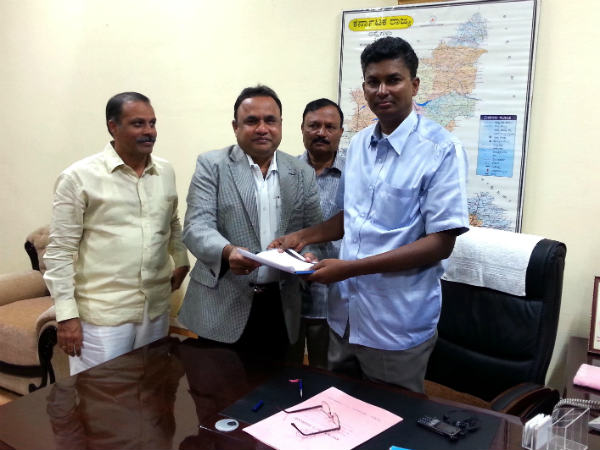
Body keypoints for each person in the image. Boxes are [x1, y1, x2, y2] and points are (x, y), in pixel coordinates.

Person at [271, 37, 469, 392]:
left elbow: (441, 243)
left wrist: (349, 269)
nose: (382, 91)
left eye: (393, 80)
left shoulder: (441, 150)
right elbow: (350, 217)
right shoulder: (360, 144)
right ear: (363, 87)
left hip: (394, 324)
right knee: (338, 407)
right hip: (344, 316)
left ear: (414, 85)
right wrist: (302, 237)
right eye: (372, 81)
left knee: (392, 416)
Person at [44, 92, 190, 375]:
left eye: (152, 123)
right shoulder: (78, 177)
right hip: (104, 317)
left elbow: (172, 221)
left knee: (153, 388)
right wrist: (67, 317)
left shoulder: (165, 171)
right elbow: (60, 251)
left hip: (155, 309)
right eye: (138, 124)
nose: (149, 131)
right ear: (113, 127)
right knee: (103, 396)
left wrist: (181, 260)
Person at [178, 85, 322, 358]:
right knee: (216, 381)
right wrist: (227, 251)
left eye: (270, 120)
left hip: (281, 304)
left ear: (281, 124)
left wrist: (311, 254)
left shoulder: (302, 172)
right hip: (222, 303)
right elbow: (196, 226)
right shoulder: (212, 165)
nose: (262, 128)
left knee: (275, 383)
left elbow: (313, 232)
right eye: (252, 121)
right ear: (236, 127)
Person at [288, 98, 346, 368]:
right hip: (291, 292)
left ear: (341, 132)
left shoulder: (355, 174)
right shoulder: (285, 172)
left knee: (327, 373)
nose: (321, 133)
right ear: (302, 128)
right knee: (286, 370)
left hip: (334, 296)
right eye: (314, 125)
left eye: (330, 127)